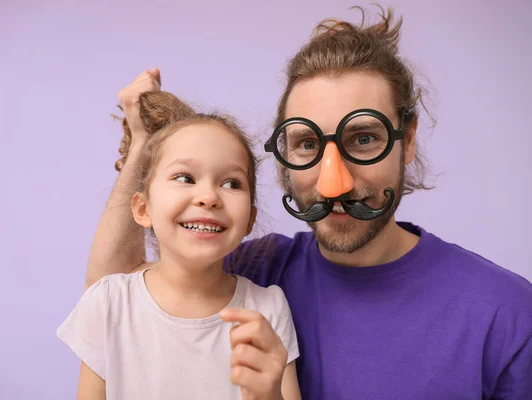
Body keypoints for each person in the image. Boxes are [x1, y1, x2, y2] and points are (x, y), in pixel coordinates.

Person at [83, 5, 532, 400]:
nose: (332, 183)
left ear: (407, 139)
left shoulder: (506, 312)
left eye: (363, 139)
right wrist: (143, 144)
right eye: (305, 143)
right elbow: (116, 292)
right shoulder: (258, 269)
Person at [57, 90, 302, 399]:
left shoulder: (268, 309)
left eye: (231, 183)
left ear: (249, 220)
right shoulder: (109, 303)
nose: (209, 197)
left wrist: (268, 394)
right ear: (143, 209)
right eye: (185, 178)